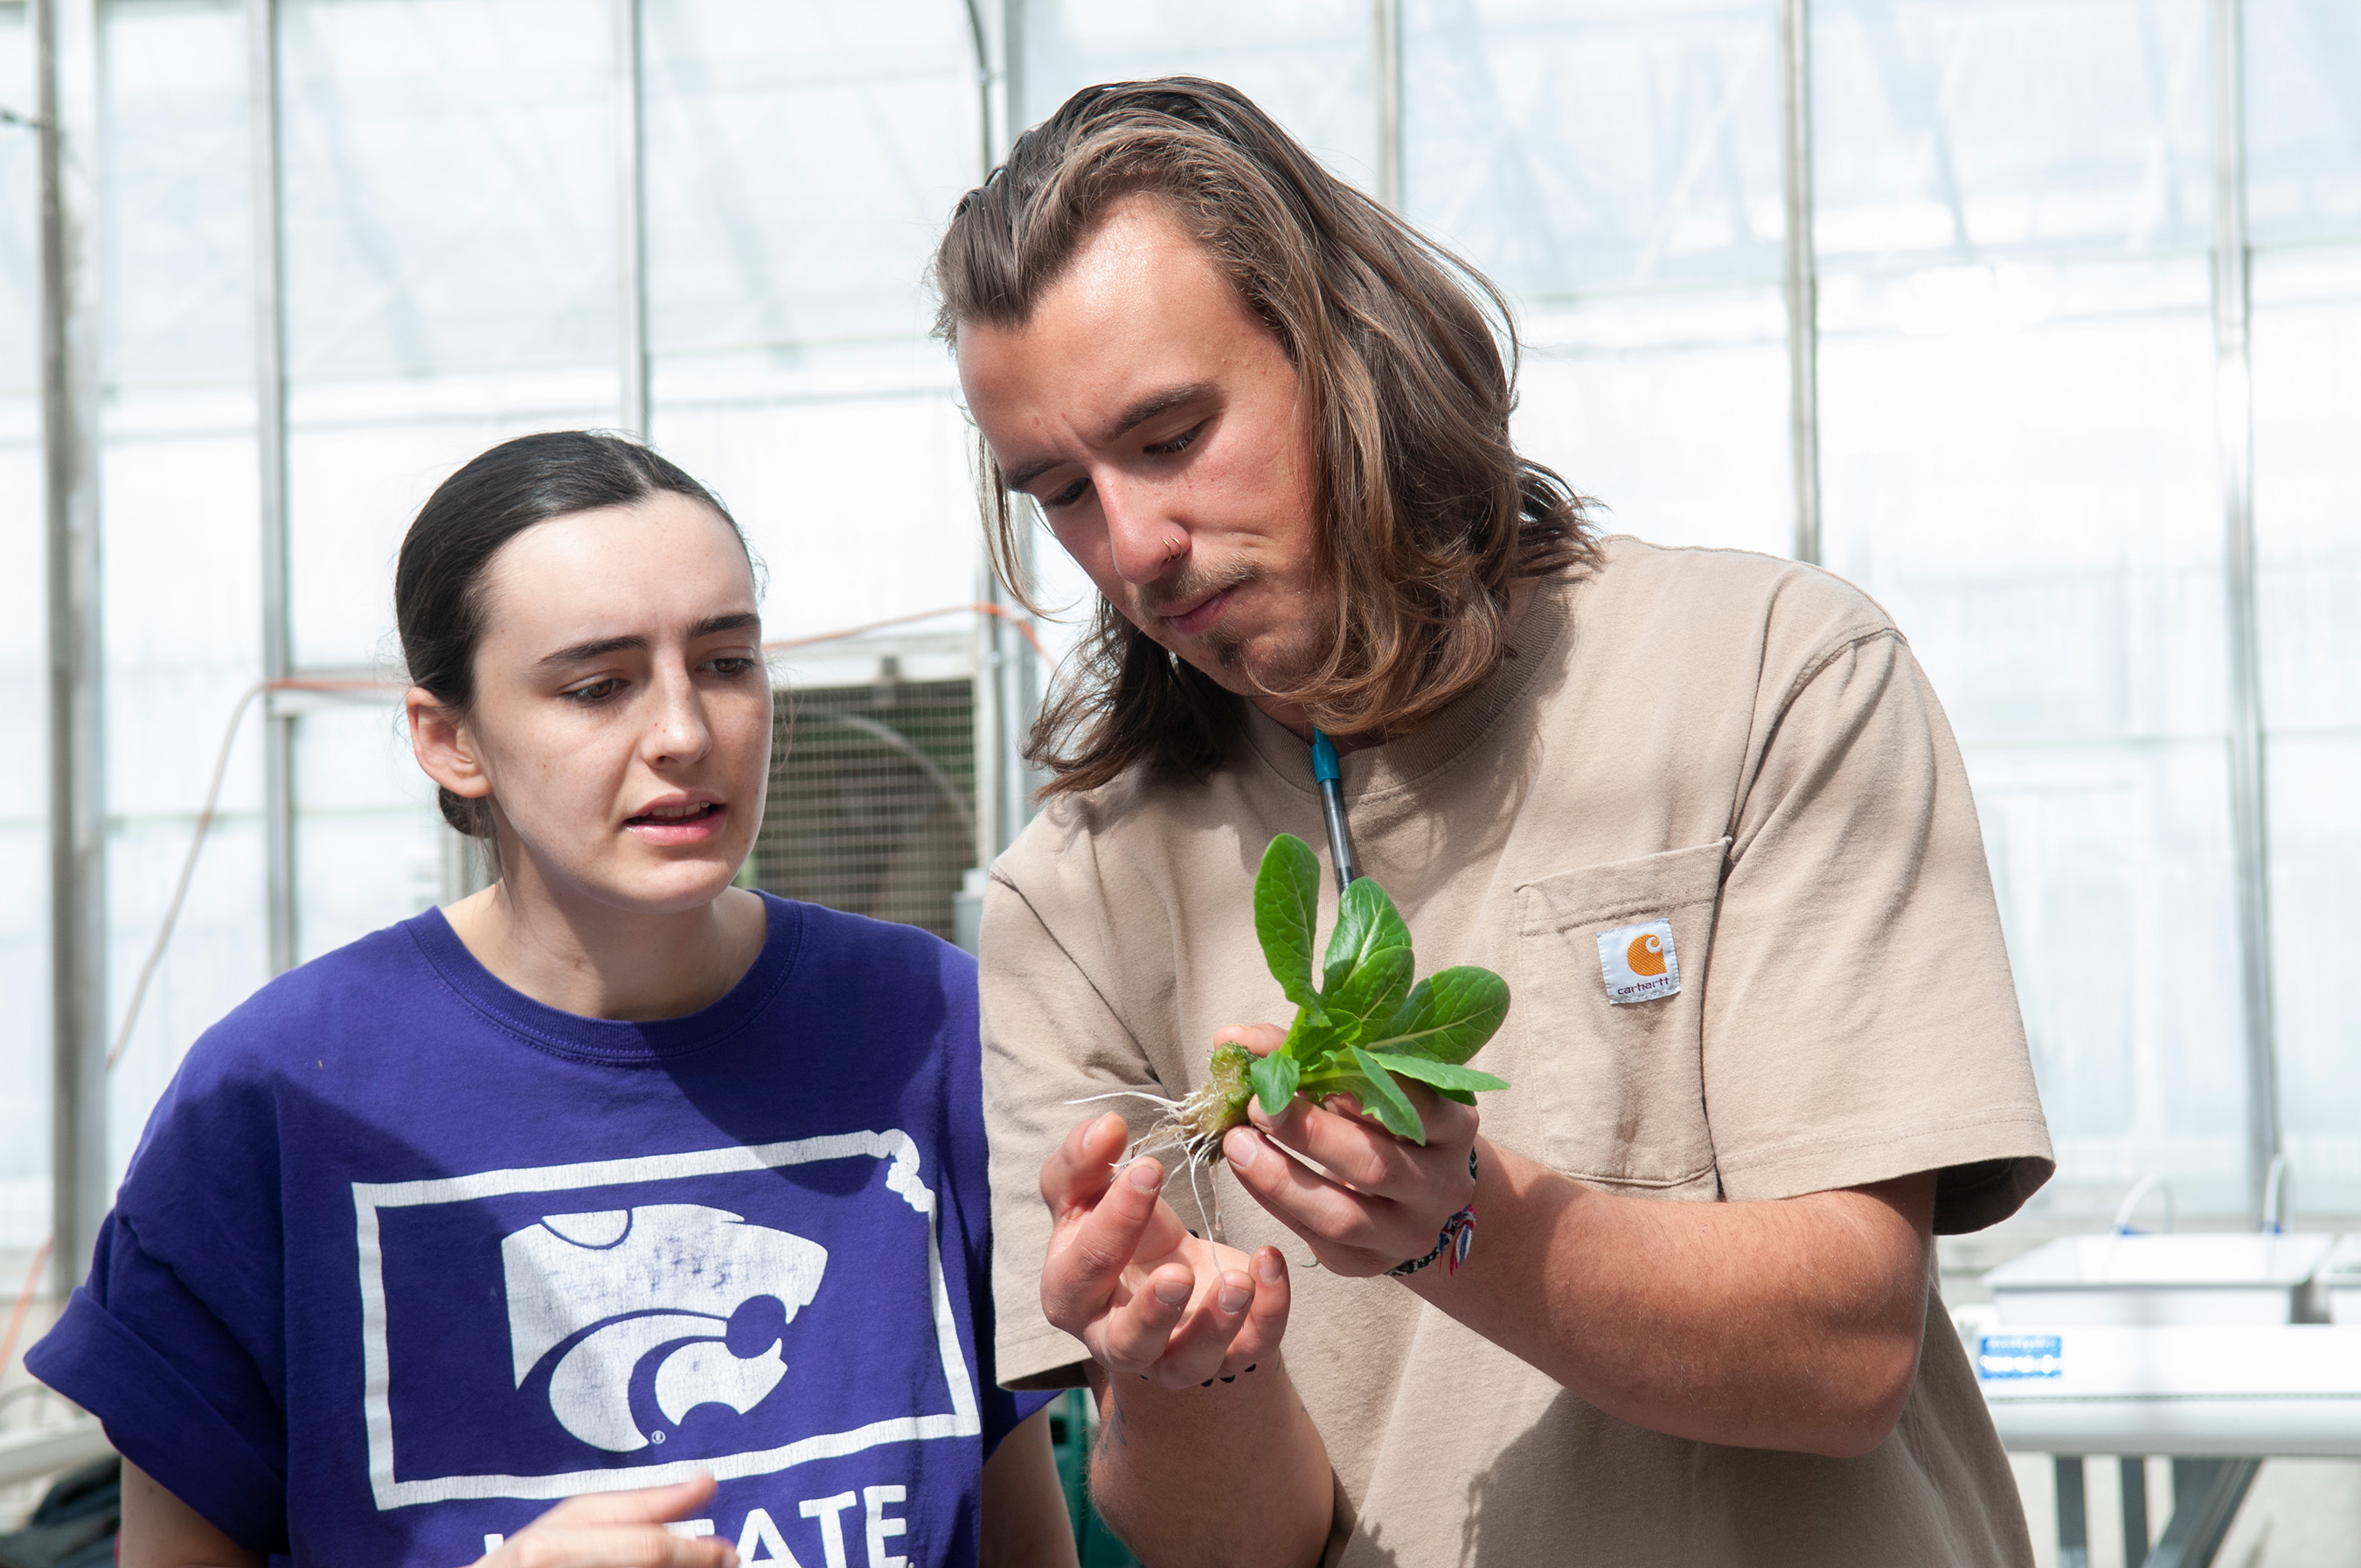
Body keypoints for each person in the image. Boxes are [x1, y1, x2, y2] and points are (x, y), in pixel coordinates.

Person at [934, 79, 2056, 1567]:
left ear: (1343, 353)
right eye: (1061, 491)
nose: (1129, 545)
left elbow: (1845, 1349)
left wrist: (1455, 1223)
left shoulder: (1766, 671)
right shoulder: (1071, 895)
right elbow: (1239, 1539)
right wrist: (1182, 1358)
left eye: (1170, 433)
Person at [29, 432, 1079, 1568]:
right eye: (598, 685)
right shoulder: (277, 1098)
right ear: (450, 738)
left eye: (726, 662)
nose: (683, 733)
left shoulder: (927, 1025)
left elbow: (1015, 1526)